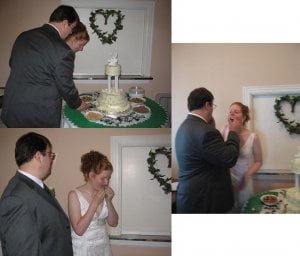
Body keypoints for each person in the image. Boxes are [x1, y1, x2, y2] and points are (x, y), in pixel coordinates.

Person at [0, 5, 88, 128]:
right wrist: (77, 104)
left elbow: (12, 63)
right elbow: (65, 85)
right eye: (72, 27)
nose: (71, 32)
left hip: (11, 107)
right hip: (37, 114)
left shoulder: (23, 36)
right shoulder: (63, 50)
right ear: (65, 23)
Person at [0, 132, 73, 255]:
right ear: (38, 156)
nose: (51, 160)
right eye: (50, 155)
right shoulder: (16, 199)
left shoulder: (35, 186)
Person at [175, 87, 242, 213]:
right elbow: (229, 158)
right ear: (207, 105)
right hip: (204, 201)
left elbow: (206, 154)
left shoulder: (184, 127)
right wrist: (234, 132)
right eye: (212, 106)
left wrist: (211, 128)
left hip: (190, 198)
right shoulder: (206, 132)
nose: (212, 110)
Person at [68, 150, 118, 256]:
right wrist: (95, 202)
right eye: (103, 178)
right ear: (91, 175)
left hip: (104, 246)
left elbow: (114, 223)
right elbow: (79, 230)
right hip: (84, 248)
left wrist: (109, 201)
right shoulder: (74, 195)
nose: (107, 182)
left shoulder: (103, 193)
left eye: (108, 178)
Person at [221, 102, 263, 211]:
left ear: (244, 117)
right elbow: (219, 154)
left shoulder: (253, 137)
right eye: (230, 112)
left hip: (244, 180)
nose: (232, 114)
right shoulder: (224, 130)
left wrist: (247, 175)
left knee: (244, 209)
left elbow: (259, 161)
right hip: (226, 179)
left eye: (236, 112)